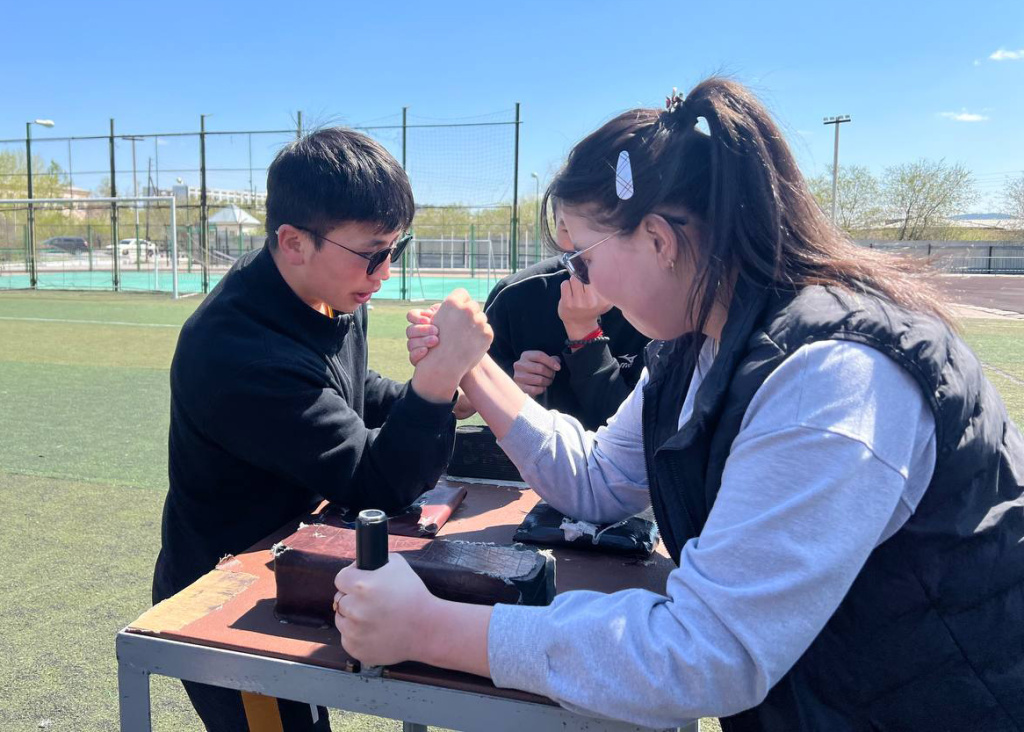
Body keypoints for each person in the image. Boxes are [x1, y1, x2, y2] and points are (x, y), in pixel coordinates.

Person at [330, 79, 1024, 731]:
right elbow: (598, 479)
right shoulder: (697, 345)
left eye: (583, 259)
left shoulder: (831, 378)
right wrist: (471, 366)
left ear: (659, 240)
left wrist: (430, 628)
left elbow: (709, 651)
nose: (578, 279)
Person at [151, 127, 486, 732]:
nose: (385, 271)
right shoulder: (237, 351)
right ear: (293, 242)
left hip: (291, 563)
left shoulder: (325, 290)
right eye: (372, 253)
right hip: (227, 593)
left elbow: (347, 390)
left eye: (396, 249)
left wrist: (438, 397)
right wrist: (437, 381)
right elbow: (376, 483)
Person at [484, 214, 649, 429]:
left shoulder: (658, 301)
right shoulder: (514, 294)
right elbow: (466, 400)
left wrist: (584, 334)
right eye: (569, 225)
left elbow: (640, 434)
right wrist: (510, 380)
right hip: (529, 458)